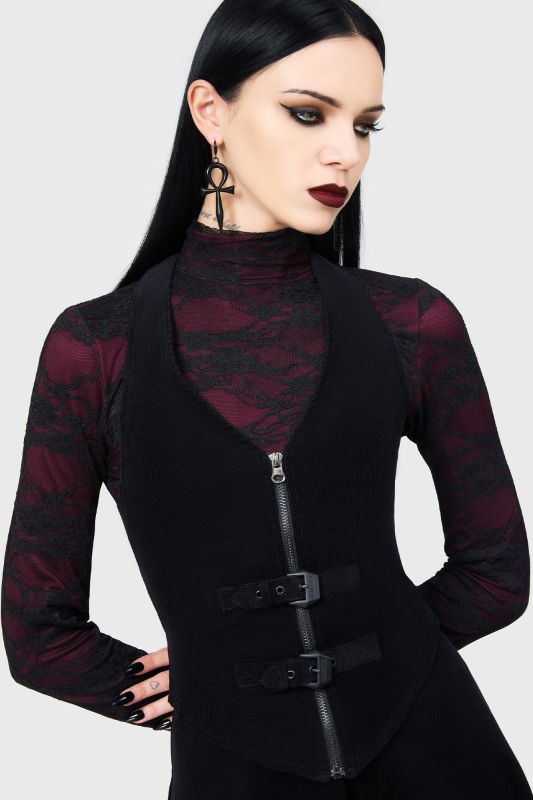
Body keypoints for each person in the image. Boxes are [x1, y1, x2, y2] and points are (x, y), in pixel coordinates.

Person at [2, 1, 531, 798]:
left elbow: (495, 573)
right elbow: (39, 636)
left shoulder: (413, 323)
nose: (343, 152)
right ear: (210, 111)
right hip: (234, 776)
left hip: (442, 760)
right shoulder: (94, 349)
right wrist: (216, 688)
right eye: (308, 113)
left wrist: (377, 659)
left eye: (364, 126)